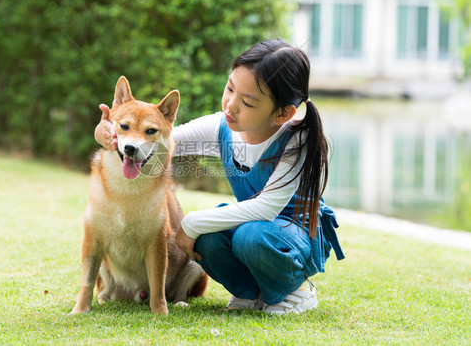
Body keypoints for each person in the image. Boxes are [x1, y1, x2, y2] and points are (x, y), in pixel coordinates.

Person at [94, 39, 345, 315]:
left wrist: (190, 222)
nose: (231, 105)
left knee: (247, 236)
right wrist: (107, 134)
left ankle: (296, 290)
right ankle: (249, 293)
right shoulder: (221, 126)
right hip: (255, 227)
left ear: (282, 113)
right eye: (230, 88)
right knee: (209, 239)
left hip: (293, 235)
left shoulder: (296, 141)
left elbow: (267, 207)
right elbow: (157, 140)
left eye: (247, 102)